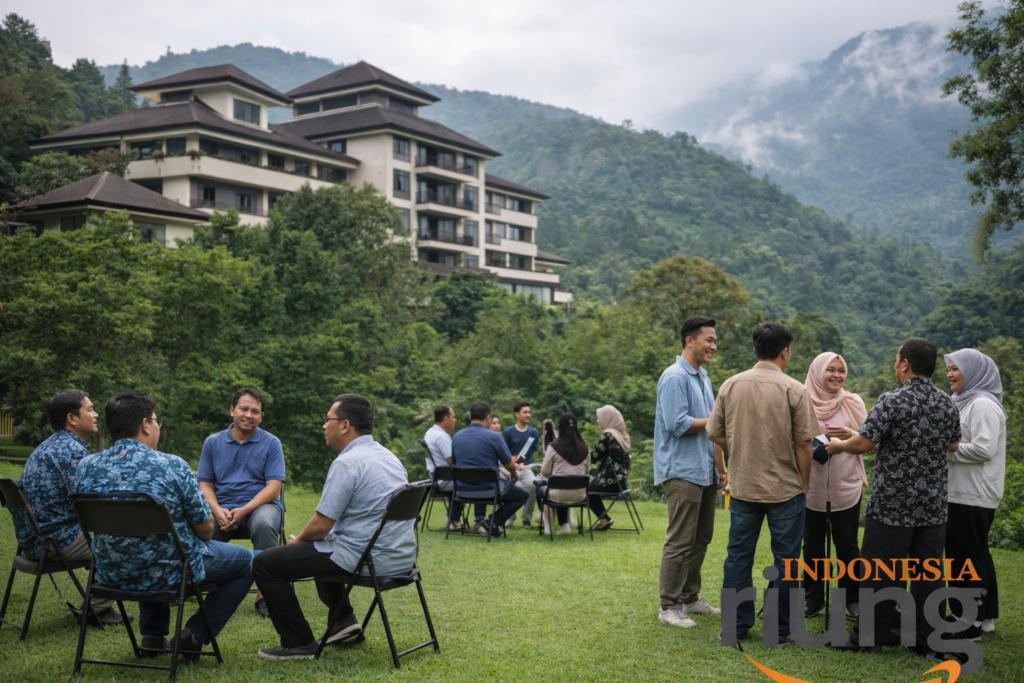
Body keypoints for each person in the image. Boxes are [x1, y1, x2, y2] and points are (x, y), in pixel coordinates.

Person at [74, 392, 253, 660]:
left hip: (112, 573)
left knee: (148, 548)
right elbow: (205, 529)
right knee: (248, 561)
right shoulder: (172, 466)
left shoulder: (86, 467)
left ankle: (153, 637)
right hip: (170, 572)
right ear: (146, 424)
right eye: (156, 421)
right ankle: (194, 634)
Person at [252, 394, 416, 659]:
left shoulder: (348, 463)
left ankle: (298, 642)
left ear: (345, 425)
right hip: (401, 557)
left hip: (370, 559)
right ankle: (343, 620)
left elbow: (320, 526)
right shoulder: (389, 457)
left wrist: (299, 541)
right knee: (321, 548)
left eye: (327, 419)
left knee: (264, 564)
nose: (323, 425)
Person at [826, 338, 960, 657]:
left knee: (883, 572)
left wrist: (839, 446)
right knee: (929, 574)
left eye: (896, 360)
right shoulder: (946, 402)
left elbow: (863, 444)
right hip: (932, 504)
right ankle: (929, 644)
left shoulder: (891, 400)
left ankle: (870, 639)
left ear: (904, 364)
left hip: (891, 504)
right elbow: (953, 446)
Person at [709, 322, 815, 645]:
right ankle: (780, 628)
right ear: (785, 352)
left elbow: (714, 433)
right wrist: (805, 484)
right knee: (787, 561)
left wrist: (739, 447)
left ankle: (735, 627)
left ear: (755, 349)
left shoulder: (731, 385)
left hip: (742, 487)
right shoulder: (795, 389)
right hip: (786, 489)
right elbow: (804, 445)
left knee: (738, 557)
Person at [12, 389, 128, 626]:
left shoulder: (48, 445)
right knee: (126, 539)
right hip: (55, 542)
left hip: (33, 540)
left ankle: (99, 608)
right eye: (90, 409)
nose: (95, 415)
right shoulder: (71, 450)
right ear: (72, 418)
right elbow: (90, 504)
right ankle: (95, 611)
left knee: (110, 533)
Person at [655, 316, 727, 629]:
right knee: (680, 540)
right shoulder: (674, 377)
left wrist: (720, 466)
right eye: (708, 340)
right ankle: (668, 606)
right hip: (683, 470)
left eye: (714, 340)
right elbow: (678, 423)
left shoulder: (703, 377)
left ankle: (690, 597)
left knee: (701, 538)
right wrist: (717, 421)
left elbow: (712, 428)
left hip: (705, 469)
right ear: (690, 341)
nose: (713, 345)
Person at [197, 388, 285, 619]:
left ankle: (265, 594)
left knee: (265, 523)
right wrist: (217, 510)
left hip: (260, 506)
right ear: (232, 410)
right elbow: (205, 484)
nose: (249, 415)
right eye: (244, 409)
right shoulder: (213, 442)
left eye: (255, 411)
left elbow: (274, 487)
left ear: (261, 416)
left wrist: (245, 510)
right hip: (222, 508)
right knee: (199, 528)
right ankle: (200, 580)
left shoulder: (271, 443)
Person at [943, 348, 1006, 639]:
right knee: (976, 553)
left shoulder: (982, 404)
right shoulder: (965, 401)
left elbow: (984, 448)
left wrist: (947, 449)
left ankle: (967, 623)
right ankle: (985, 617)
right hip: (964, 491)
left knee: (963, 558)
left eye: (956, 369)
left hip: (970, 493)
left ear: (974, 371)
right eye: (950, 368)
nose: (950, 374)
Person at [801, 352, 869, 621]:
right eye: (830, 370)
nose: (837, 375)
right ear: (817, 372)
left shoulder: (853, 402)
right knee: (812, 545)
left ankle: (852, 599)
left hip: (845, 483)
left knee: (847, 545)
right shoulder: (800, 399)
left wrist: (848, 436)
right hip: (810, 484)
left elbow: (868, 439)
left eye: (841, 370)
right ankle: (813, 597)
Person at [450, 401, 527, 536]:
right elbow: (508, 463)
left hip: (462, 491)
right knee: (522, 495)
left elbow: (455, 464)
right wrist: (514, 473)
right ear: (488, 418)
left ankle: (489, 522)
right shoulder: (494, 437)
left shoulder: (456, 437)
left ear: (470, 417)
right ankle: (493, 521)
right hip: (489, 490)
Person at [537, 413, 591, 535]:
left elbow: (545, 472)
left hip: (557, 495)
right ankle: (565, 526)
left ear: (560, 427)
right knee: (565, 486)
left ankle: (548, 527)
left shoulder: (554, 447)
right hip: (580, 496)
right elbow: (586, 472)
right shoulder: (585, 448)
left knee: (542, 490)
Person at [587, 405, 631, 530]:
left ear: (607, 419)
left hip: (610, 481)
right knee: (589, 484)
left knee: (585, 486)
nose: (597, 420)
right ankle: (604, 518)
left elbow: (593, 456)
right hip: (620, 482)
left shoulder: (608, 435)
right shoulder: (622, 436)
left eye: (599, 418)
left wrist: (579, 454)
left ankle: (604, 519)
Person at [502, 401, 542, 529]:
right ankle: (509, 517)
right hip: (509, 467)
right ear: (516, 414)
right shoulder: (508, 432)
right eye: (525, 412)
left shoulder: (533, 432)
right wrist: (513, 464)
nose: (528, 415)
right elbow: (504, 453)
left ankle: (526, 519)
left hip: (526, 468)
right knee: (507, 485)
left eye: (529, 412)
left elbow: (532, 451)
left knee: (532, 484)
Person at [423, 404, 459, 531]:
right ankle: (456, 521)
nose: (455, 419)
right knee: (473, 482)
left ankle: (454, 519)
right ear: (446, 419)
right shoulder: (441, 437)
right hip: (445, 480)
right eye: (453, 416)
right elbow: (452, 461)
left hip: (436, 477)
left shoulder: (430, 432)